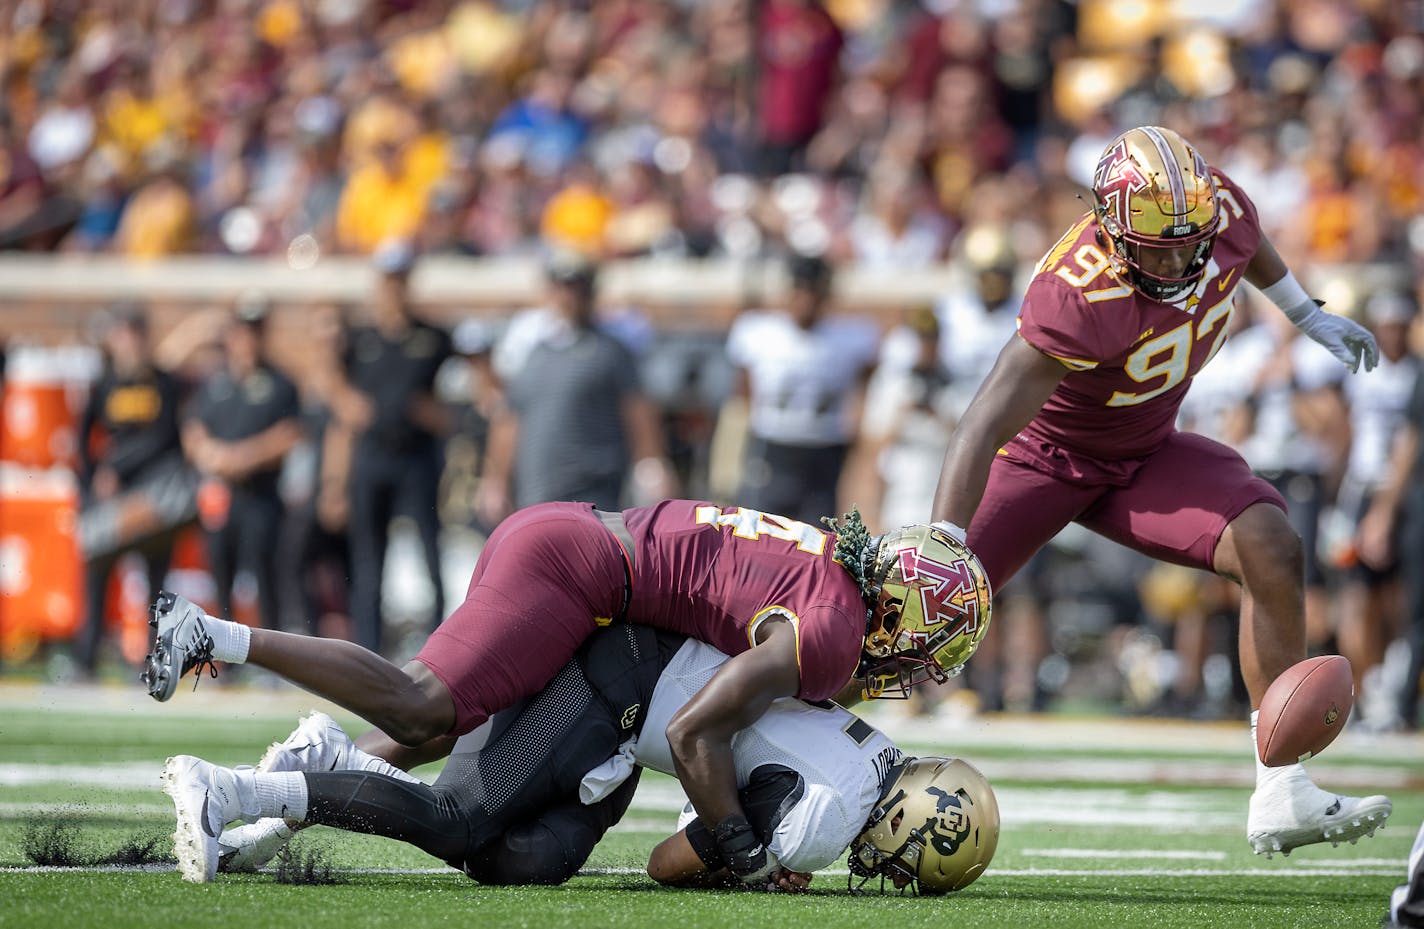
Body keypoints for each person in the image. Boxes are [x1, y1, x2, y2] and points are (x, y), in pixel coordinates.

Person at [928, 125, 1392, 855]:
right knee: (915, 618)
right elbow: (983, 419)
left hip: (1143, 452)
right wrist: (944, 542)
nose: (1177, 257)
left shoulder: (1218, 212)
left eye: (1188, 240)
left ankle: (1282, 789)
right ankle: (779, 735)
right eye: (1158, 245)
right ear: (1114, 230)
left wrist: (1304, 310)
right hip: (1045, 457)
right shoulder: (1079, 288)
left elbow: (1250, 241)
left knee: (1270, 542)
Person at [143, 501, 992, 887]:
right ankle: (212, 635)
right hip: (585, 577)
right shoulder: (835, 624)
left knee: (482, 795)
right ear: (907, 610)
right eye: (928, 644)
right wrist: (741, 845)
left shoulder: (832, 577)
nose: (914, 666)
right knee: (423, 705)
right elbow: (700, 729)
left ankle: (298, 783)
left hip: (601, 586)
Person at [161, 625, 998, 894]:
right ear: (905, 820)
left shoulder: (874, 751)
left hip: (637, 715)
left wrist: (736, 835)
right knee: (458, 821)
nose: (896, 873)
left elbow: (711, 796)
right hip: (618, 686)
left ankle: (330, 760)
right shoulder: (826, 822)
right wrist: (749, 857)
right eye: (912, 861)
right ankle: (230, 788)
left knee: (521, 862)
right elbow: (668, 863)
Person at [475, 252, 675, 524]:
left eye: (576, 289)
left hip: (596, 486)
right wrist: (496, 478)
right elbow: (509, 419)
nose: (569, 297)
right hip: (538, 487)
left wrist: (651, 463)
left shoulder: (610, 351)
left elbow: (637, 410)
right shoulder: (532, 352)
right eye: (562, 288)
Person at [340, 240, 453, 653]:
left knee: (430, 551)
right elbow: (331, 386)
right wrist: (343, 401)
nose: (394, 289)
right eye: (388, 280)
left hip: (417, 456)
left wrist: (437, 415)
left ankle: (440, 649)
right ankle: (365, 649)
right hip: (372, 455)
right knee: (369, 559)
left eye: (400, 280)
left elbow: (461, 400)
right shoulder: (361, 339)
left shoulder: (434, 338)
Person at [73, 303, 190, 676]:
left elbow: (165, 437)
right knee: (97, 566)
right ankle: (86, 657)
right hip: (116, 498)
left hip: (155, 497)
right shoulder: (105, 383)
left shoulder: (163, 382)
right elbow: (82, 437)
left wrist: (116, 468)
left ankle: (156, 660)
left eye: (135, 334)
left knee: (157, 582)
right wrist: (93, 480)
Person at [721, 253, 879, 525]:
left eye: (814, 292)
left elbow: (868, 386)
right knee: (760, 529)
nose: (806, 301)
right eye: (800, 291)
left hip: (825, 449)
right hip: (773, 445)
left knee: (820, 539)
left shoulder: (854, 337)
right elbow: (742, 398)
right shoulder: (757, 332)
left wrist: (858, 431)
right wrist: (731, 454)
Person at [181, 295, 301, 631]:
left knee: (266, 574)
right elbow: (193, 426)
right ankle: (224, 659)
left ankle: (274, 656)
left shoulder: (280, 383)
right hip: (220, 496)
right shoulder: (217, 383)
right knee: (221, 574)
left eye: (256, 332)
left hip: (261, 495)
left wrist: (239, 458)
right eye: (243, 332)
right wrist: (208, 453)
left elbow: (289, 435)